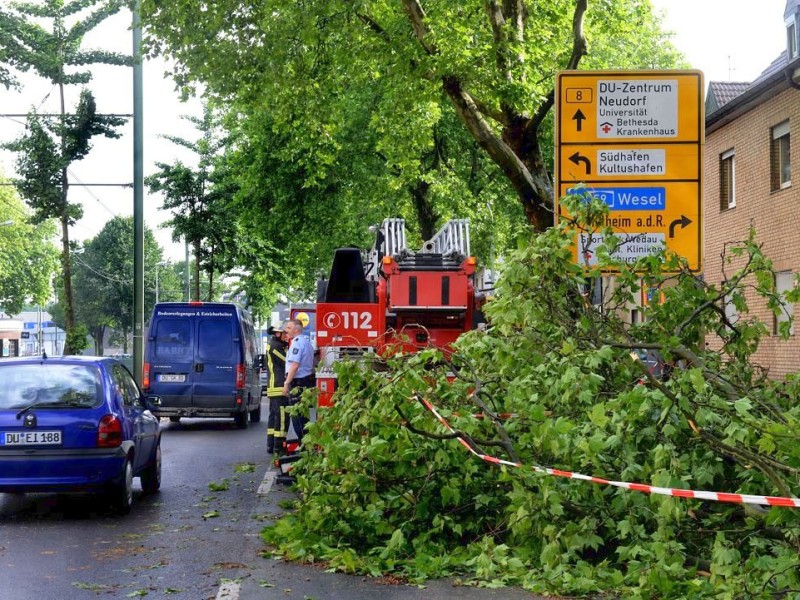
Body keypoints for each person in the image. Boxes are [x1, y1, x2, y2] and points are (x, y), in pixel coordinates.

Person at [282, 318, 315, 445]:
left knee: (297, 417)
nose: (286, 331)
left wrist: (286, 384)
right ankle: (307, 445)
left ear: (296, 329)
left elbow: (294, 366)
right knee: (304, 416)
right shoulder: (306, 342)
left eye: (289, 328)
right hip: (306, 381)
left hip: (298, 383)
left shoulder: (296, 343)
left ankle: (304, 446)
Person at [264, 324, 288, 454]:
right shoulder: (276, 346)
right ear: (278, 334)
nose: (286, 336)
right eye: (284, 333)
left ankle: (271, 446)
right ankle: (279, 447)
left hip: (274, 387)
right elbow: (287, 361)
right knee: (282, 417)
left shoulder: (273, 344)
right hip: (278, 386)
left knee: (273, 417)